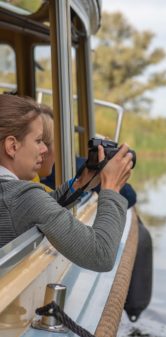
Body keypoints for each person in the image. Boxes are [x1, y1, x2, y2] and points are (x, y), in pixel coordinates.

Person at [0, 94, 133, 272]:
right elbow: (101, 255)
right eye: (38, 141)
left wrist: (80, 183)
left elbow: (38, 208)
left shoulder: (16, 197)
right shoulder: (22, 197)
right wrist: (111, 187)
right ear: (12, 146)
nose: (45, 149)